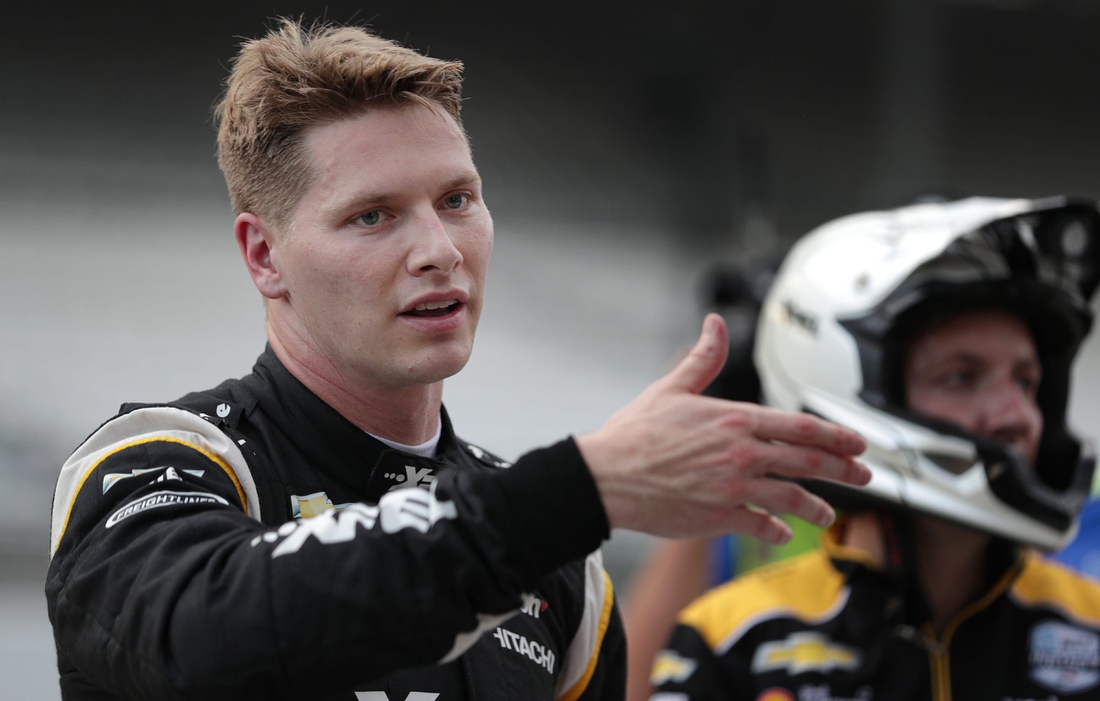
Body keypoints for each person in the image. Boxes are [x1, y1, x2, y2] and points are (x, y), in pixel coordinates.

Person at [44, 19, 872, 701]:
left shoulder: (563, 567)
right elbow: (207, 640)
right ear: (264, 256)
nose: (439, 250)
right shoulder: (163, 458)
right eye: (373, 216)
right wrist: (580, 487)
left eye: (457, 200)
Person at [652, 196, 1100, 701]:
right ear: (848, 384)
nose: (1015, 416)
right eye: (961, 377)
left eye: (1027, 381)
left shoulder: (1093, 631)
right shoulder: (730, 638)